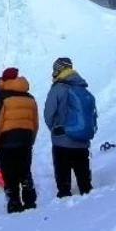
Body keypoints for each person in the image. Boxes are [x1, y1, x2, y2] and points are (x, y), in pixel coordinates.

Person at [42, 57, 96, 198]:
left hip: (62, 140)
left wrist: (55, 130)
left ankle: (65, 199)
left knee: (63, 176)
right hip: (82, 140)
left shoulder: (58, 88)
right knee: (83, 177)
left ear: (58, 70)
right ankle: (88, 195)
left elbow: (48, 113)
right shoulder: (82, 88)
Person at [0, 67, 38, 213]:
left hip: (6, 143)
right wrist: (30, 141)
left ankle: (14, 204)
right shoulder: (30, 98)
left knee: (10, 176)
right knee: (25, 172)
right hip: (25, 141)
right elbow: (35, 123)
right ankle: (30, 203)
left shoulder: (1, 97)